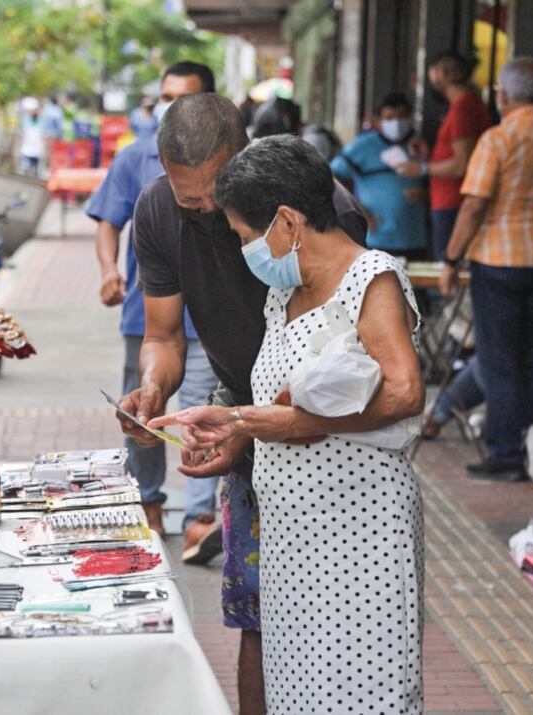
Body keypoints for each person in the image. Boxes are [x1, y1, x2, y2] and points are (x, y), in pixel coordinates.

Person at [151, 135, 425, 713]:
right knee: (298, 693)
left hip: (359, 535)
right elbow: (277, 400)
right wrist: (233, 424)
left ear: (287, 220)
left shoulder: (370, 277)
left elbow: (402, 392)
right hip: (289, 541)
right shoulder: (284, 295)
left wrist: (291, 422)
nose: (245, 247)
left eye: (247, 235)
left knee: (359, 691)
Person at [116, 93, 367, 715]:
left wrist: (245, 425)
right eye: (187, 198)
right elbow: (164, 336)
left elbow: (342, 368)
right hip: (241, 426)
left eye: (213, 195)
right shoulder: (156, 209)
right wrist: (154, 388)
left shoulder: (319, 205)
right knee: (256, 616)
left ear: (244, 153)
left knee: (332, 618)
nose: (202, 210)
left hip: (331, 443)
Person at [86, 61, 222, 558]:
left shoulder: (240, 172)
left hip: (210, 320)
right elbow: (107, 221)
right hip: (150, 313)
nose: (170, 108)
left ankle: (202, 516)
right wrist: (108, 271)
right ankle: (148, 501)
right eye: (164, 96)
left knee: (206, 409)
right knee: (147, 404)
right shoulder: (137, 161)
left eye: (182, 98)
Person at [440, 57, 533, 481]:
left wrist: (452, 258)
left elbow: (473, 206)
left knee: (500, 362)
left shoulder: (497, 140)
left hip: (498, 260)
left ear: (502, 97)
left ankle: (506, 456)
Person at [397, 52, 491, 260]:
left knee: (448, 271)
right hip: (449, 201)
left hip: (453, 203)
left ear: (443, 73)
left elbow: (462, 164)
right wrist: (430, 156)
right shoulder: (465, 105)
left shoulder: (463, 108)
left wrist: (421, 169)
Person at [331, 92, 428, 258]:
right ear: (378, 121)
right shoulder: (362, 147)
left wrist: (425, 193)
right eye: (390, 118)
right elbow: (332, 176)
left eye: (402, 117)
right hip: (376, 238)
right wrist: (357, 209)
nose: (396, 123)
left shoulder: (421, 146)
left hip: (415, 238)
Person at [19, 97, 44, 176]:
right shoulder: (26, 120)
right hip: (27, 150)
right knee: (25, 170)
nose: (35, 111)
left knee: (34, 172)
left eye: (36, 110)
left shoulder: (40, 122)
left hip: (37, 151)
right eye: (34, 110)